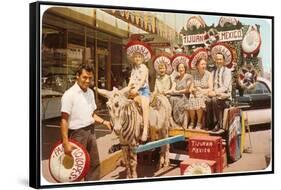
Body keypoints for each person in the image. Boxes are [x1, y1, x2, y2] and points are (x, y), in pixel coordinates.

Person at [60, 63, 112, 181]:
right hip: (76, 135)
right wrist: (65, 142)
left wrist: (105, 122)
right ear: (77, 76)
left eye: (90, 78)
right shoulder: (69, 95)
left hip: (91, 132)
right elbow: (64, 120)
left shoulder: (90, 93)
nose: (87, 81)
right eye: (84, 77)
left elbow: (91, 114)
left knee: (94, 165)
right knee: (76, 168)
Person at [126, 40, 152, 142]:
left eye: (139, 57)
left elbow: (142, 80)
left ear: (143, 58)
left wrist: (137, 88)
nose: (137, 58)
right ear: (133, 58)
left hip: (143, 90)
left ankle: (145, 129)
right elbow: (131, 80)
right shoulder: (134, 69)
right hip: (133, 91)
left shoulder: (144, 67)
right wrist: (127, 89)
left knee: (144, 105)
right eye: (136, 57)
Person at [206, 53, 232, 132]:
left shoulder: (227, 71)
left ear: (223, 61)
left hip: (226, 97)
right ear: (215, 61)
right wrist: (209, 91)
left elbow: (225, 87)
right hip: (215, 95)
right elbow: (210, 85)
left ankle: (219, 124)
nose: (219, 61)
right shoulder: (213, 72)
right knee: (207, 100)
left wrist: (215, 92)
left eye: (220, 59)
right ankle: (210, 123)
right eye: (217, 59)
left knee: (214, 100)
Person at [188, 58, 213, 130]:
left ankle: (199, 122)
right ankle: (192, 122)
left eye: (205, 64)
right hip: (196, 93)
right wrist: (193, 90)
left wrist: (202, 90)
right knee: (191, 98)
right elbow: (190, 88)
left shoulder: (209, 74)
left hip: (205, 93)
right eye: (202, 64)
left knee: (199, 99)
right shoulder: (194, 75)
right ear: (198, 66)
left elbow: (211, 88)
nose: (204, 66)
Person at [166, 62, 192, 129]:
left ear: (185, 68)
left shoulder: (189, 77)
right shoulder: (176, 78)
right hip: (177, 95)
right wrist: (166, 92)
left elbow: (187, 89)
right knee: (169, 98)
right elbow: (173, 88)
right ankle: (172, 122)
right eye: (179, 68)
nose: (181, 69)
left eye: (182, 67)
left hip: (185, 96)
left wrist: (178, 91)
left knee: (175, 100)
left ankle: (179, 122)